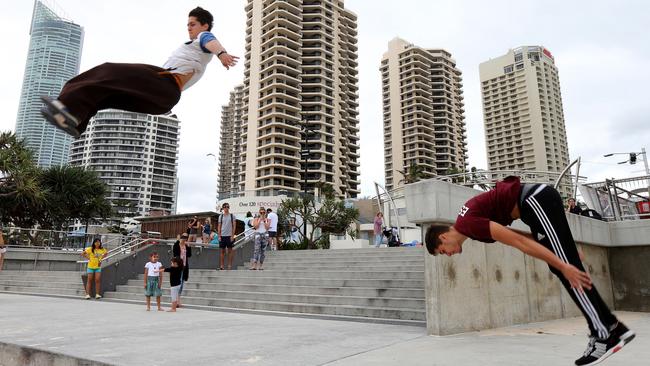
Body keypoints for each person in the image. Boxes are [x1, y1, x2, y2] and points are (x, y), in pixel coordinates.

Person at [424, 176, 635, 366]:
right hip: (534, 203)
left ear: (443, 238)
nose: (448, 255)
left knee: (567, 271)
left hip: (534, 200)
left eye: (443, 252)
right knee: (563, 266)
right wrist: (560, 246)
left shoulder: (468, 224)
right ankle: (612, 326)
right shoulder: (471, 227)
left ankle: (604, 333)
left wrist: (563, 263)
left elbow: (518, 243)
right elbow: (519, 237)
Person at [39, 7, 239, 138]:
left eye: (192, 24)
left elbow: (210, 41)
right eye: (187, 25)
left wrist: (222, 53)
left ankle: (65, 106)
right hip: (161, 100)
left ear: (204, 25)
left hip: (164, 83)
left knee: (107, 70)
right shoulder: (195, 48)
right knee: (107, 95)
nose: (189, 28)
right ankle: (74, 121)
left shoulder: (203, 37)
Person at [173, 233, 192, 308]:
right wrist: (178, 241)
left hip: (184, 267)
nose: (184, 239)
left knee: (182, 283)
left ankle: (178, 301)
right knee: (178, 283)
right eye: (183, 237)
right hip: (178, 267)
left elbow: (189, 255)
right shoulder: (177, 245)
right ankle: (176, 301)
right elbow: (175, 252)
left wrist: (189, 247)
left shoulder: (186, 246)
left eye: (186, 237)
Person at [217, 203, 235, 270]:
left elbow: (234, 226)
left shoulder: (232, 216)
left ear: (229, 207)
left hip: (229, 236)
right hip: (222, 236)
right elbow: (219, 226)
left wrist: (232, 235)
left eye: (227, 207)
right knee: (222, 251)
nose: (226, 208)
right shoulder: (220, 216)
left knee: (230, 251)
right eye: (224, 207)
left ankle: (229, 265)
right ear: (223, 208)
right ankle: (222, 265)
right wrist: (219, 235)